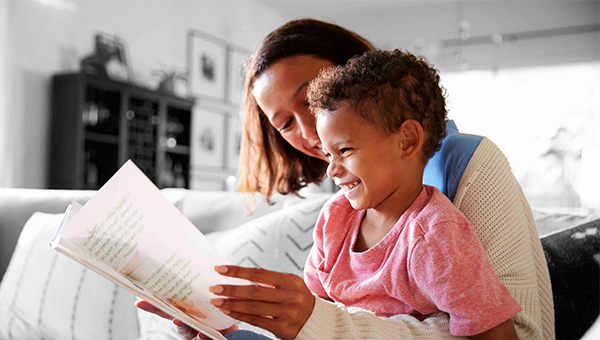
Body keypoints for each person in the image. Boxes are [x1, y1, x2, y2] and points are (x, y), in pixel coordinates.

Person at [137, 18, 554, 340]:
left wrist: (324, 324)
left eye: (311, 97)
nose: (310, 133)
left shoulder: (462, 177)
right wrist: (220, 326)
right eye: (284, 123)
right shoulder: (342, 206)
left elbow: (520, 333)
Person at [303, 48, 521, 339]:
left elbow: (496, 333)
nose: (332, 170)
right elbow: (312, 309)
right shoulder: (335, 217)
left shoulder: (435, 235)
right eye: (328, 154)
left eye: (344, 151)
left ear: (407, 141)